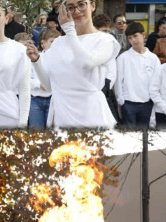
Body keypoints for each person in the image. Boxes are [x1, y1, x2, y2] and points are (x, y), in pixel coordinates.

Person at [26, 0, 120, 129]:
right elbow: (49, 86)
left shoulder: (105, 40)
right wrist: (36, 61)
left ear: (92, 5)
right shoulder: (58, 43)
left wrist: (70, 31)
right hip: (61, 114)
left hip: (90, 115)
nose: (76, 11)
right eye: (71, 7)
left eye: (81, 4)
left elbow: (88, 62)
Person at [114, 22, 159, 128]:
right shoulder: (123, 58)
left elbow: (156, 81)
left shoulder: (153, 58)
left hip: (147, 102)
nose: (133, 40)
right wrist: (121, 100)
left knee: (144, 133)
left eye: (135, 36)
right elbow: (118, 81)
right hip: (129, 102)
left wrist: (154, 99)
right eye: (130, 38)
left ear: (143, 35)